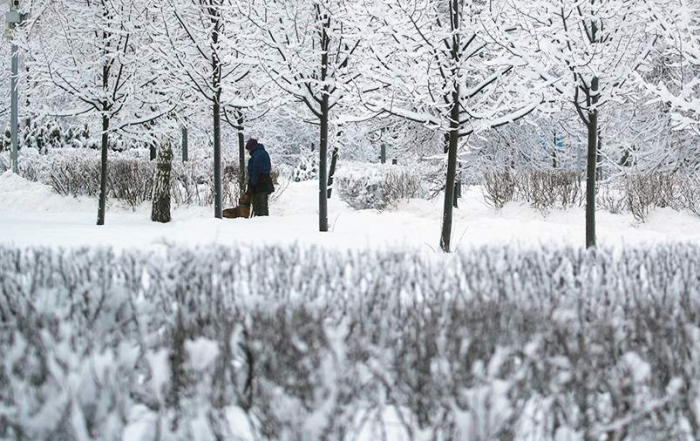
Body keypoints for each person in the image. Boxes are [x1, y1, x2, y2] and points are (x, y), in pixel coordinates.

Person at [245, 138, 273, 216]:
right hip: (265, 181)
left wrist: (253, 183)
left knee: (259, 205)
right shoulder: (263, 153)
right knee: (263, 204)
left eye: (248, 150)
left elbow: (256, 169)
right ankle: (263, 220)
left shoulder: (257, 155)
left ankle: (260, 222)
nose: (248, 152)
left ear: (251, 148)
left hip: (259, 183)